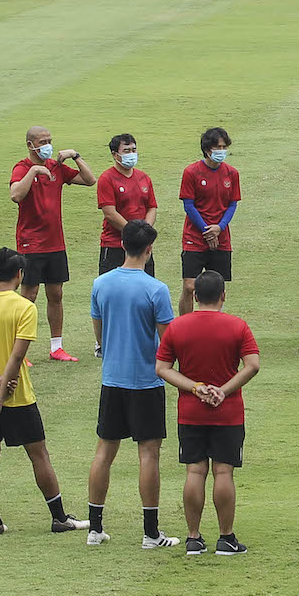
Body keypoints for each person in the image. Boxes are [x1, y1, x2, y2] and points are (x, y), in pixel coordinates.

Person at [0, 247, 90, 537]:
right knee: (39, 454)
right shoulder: (24, 307)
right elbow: (17, 357)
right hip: (17, 395)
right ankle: (59, 518)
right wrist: (3, 388)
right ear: (19, 274)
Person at [86, 221, 179, 549]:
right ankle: (151, 533)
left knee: (104, 452)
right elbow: (168, 340)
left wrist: (106, 348)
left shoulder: (101, 284)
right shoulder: (156, 289)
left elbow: (98, 330)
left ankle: (94, 528)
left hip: (113, 380)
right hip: (147, 382)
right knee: (148, 455)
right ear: (149, 249)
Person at [155, 269, 260, 557]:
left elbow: (162, 369)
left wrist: (195, 387)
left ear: (195, 295)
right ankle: (226, 538)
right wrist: (223, 390)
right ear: (223, 296)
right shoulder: (238, 327)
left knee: (195, 470)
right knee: (223, 471)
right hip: (228, 412)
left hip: (191, 412)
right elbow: (252, 365)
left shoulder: (178, 327)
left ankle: (193, 537)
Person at [9, 128, 93, 362]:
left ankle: (57, 347)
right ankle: (18, 350)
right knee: (29, 295)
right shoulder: (22, 167)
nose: (47, 145)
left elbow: (89, 180)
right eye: (42, 142)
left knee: (56, 294)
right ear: (30, 144)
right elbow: (16, 195)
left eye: (49, 141)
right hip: (30, 244)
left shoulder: (56, 167)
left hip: (55, 242)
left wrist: (75, 156)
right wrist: (35, 170)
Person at [178, 127, 241, 317]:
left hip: (221, 237)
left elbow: (232, 205)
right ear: (207, 149)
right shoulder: (191, 172)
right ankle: (185, 327)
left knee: (217, 287)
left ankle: (214, 327)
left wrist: (219, 228)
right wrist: (207, 230)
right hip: (195, 237)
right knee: (190, 286)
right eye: (217, 147)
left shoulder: (232, 173)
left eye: (224, 146)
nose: (221, 151)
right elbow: (189, 205)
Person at [97, 134, 158, 278]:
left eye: (133, 150)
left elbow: (152, 207)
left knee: (145, 290)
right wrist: (134, 233)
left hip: (142, 246)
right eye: (126, 150)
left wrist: (144, 233)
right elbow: (110, 213)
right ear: (115, 154)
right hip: (115, 245)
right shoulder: (107, 179)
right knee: (112, 292)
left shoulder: (144, 178)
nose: (131, 154)